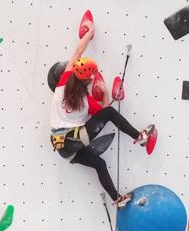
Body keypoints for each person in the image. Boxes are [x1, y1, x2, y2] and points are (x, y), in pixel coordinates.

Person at [50, 19, 155, 208]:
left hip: (63, 150)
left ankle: (118, 199)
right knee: (110, 113)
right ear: (89, 81)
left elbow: (77, 52)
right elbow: (106, 114)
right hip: (74, 139)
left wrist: (89, 33)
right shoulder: (86, 101)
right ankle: (140, 138)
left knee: (99, 164)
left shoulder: (63, 83)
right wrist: (105, 93)